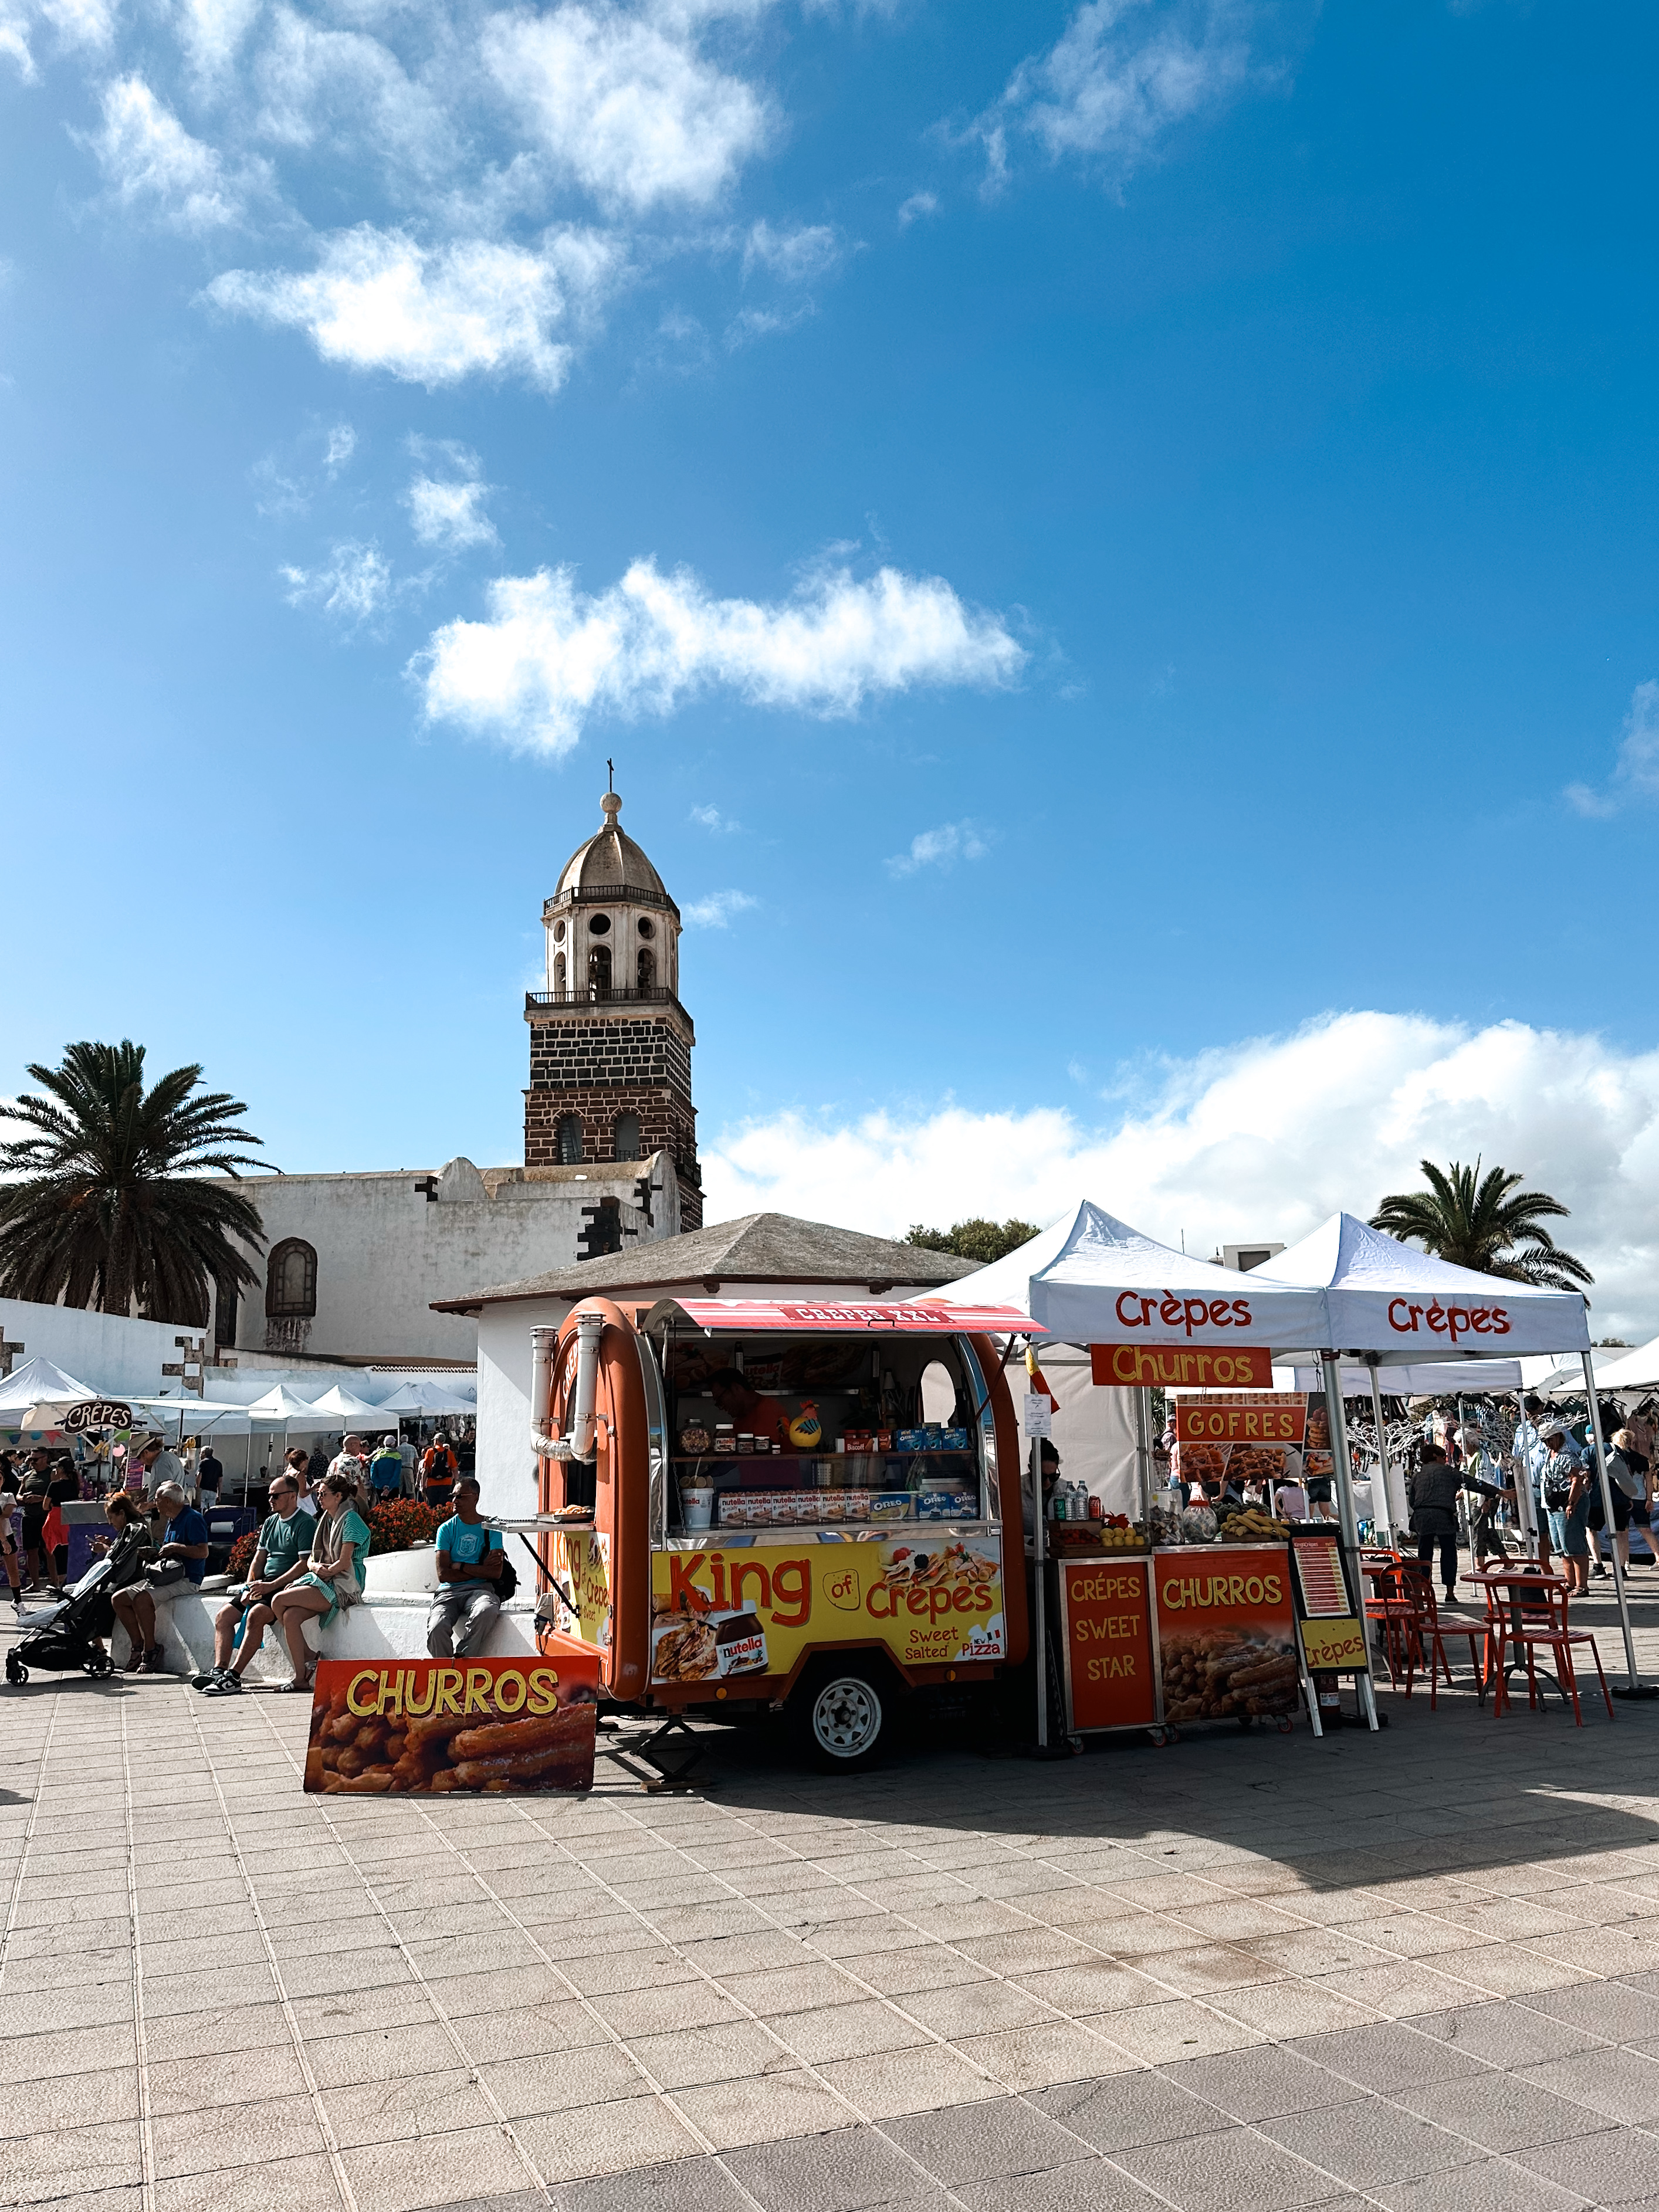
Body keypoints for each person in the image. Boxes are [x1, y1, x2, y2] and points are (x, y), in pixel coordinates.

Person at [195, 1469, 314, 1694]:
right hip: (264, 1584)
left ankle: (234, 1676)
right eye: (269, 1496)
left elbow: (303, 1564)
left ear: (291, 1496)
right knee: (224, 1616)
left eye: (275, 1496)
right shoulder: (270, 1522)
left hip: (284, 1586)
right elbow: (259, 1558)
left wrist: (270, 1586)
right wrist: (249, 1586)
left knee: (256, 1615)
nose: (270, 1500)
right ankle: (219, 1670)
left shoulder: (305, 1523)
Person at [270, 1473, 370, 1691]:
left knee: (278, 1601)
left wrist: (323, 1571)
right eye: (318, 1494)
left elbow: (344, 1563)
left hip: (343, 1582)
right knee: (290, 1616)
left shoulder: (350, 1519)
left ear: (338, 1496)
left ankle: (308, 1659)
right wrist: (316, 1568)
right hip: (325, 1576)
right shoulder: (326, 1519)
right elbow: (313, 1560)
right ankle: (302, 1674)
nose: (319, 1498)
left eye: (323, 1494)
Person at [110, 1480, 210, 1672]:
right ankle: (137, 1645)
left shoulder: (192, 1518)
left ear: (168, 1501)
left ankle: (151, 1649)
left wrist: (177, 1548)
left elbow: (203, 1552)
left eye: (157, 1500)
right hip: (166, 1574)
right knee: (119, 1599)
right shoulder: (172, 1520)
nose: (155, 1504)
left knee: (141, 1599)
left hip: (186, 1578)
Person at [426, 1476, 506, 1657]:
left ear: (475, 1498)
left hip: (481, 1590)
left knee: (486, 1611)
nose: (455, 1501)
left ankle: (464, 1659)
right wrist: (479, 1569)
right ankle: (444, 1670)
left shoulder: (491, 1528)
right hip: (449, 1592)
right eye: (453, 1496)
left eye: (461, 1496)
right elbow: (443, 1575)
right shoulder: (446, 1530)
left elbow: (495, 1572)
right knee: (437, 1627)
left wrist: (460, 1566)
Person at [706, 1370, 790, 1448]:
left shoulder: (768, 1412)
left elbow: (765, 1456)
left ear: (736, 1388)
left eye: (720, 1399)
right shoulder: (741, 1420)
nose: (721, 1407)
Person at [327, 1434, 369, 1503]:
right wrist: (365, 1504)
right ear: (353, 1445)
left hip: (334, 1501)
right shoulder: (354, 1461)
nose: (360, 1448)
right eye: (360, 1445)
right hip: (349, 1501)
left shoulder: (334, 1461)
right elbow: (359, 1484)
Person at [422, 1434, 458, 1513]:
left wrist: (423, 1484)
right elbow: (455, 1469)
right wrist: (457, 1484)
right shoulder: (449, 1453)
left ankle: (434, 1524)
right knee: (445, 1508)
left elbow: (426, 1470)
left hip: (432, 1484)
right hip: (446, 1483)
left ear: (436, 1441)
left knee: (432, 1508)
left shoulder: (430, 1452)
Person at [368, 1435, 405, 1501]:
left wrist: (381, 1486)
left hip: (380, 1487)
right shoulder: (397, 1456)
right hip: (393, 1487)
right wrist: (389, 1487)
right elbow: (397, 1473)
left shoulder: (377, 1456)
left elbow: (373, 1474)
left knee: (381, 1508)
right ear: (393, 1444)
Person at [283, 1447, 318, 1517]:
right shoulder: (299, 1475)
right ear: (302, 1461)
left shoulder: (288, 1472)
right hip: (304, 1508)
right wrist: (315, 1487)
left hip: (294, 1507)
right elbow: (303, 1494)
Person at [197, 1443, 224, 1508]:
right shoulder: (218, 1464)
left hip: (203, 1490)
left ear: (204, 1453)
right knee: (211, 1510)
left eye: (200, 1453)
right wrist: (219, 1495)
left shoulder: (203, 1463)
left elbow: (199, 1476)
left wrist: (197, 1489)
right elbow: (220, 1481)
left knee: (202, 1508)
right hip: (213, 1491)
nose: (200, 1455)